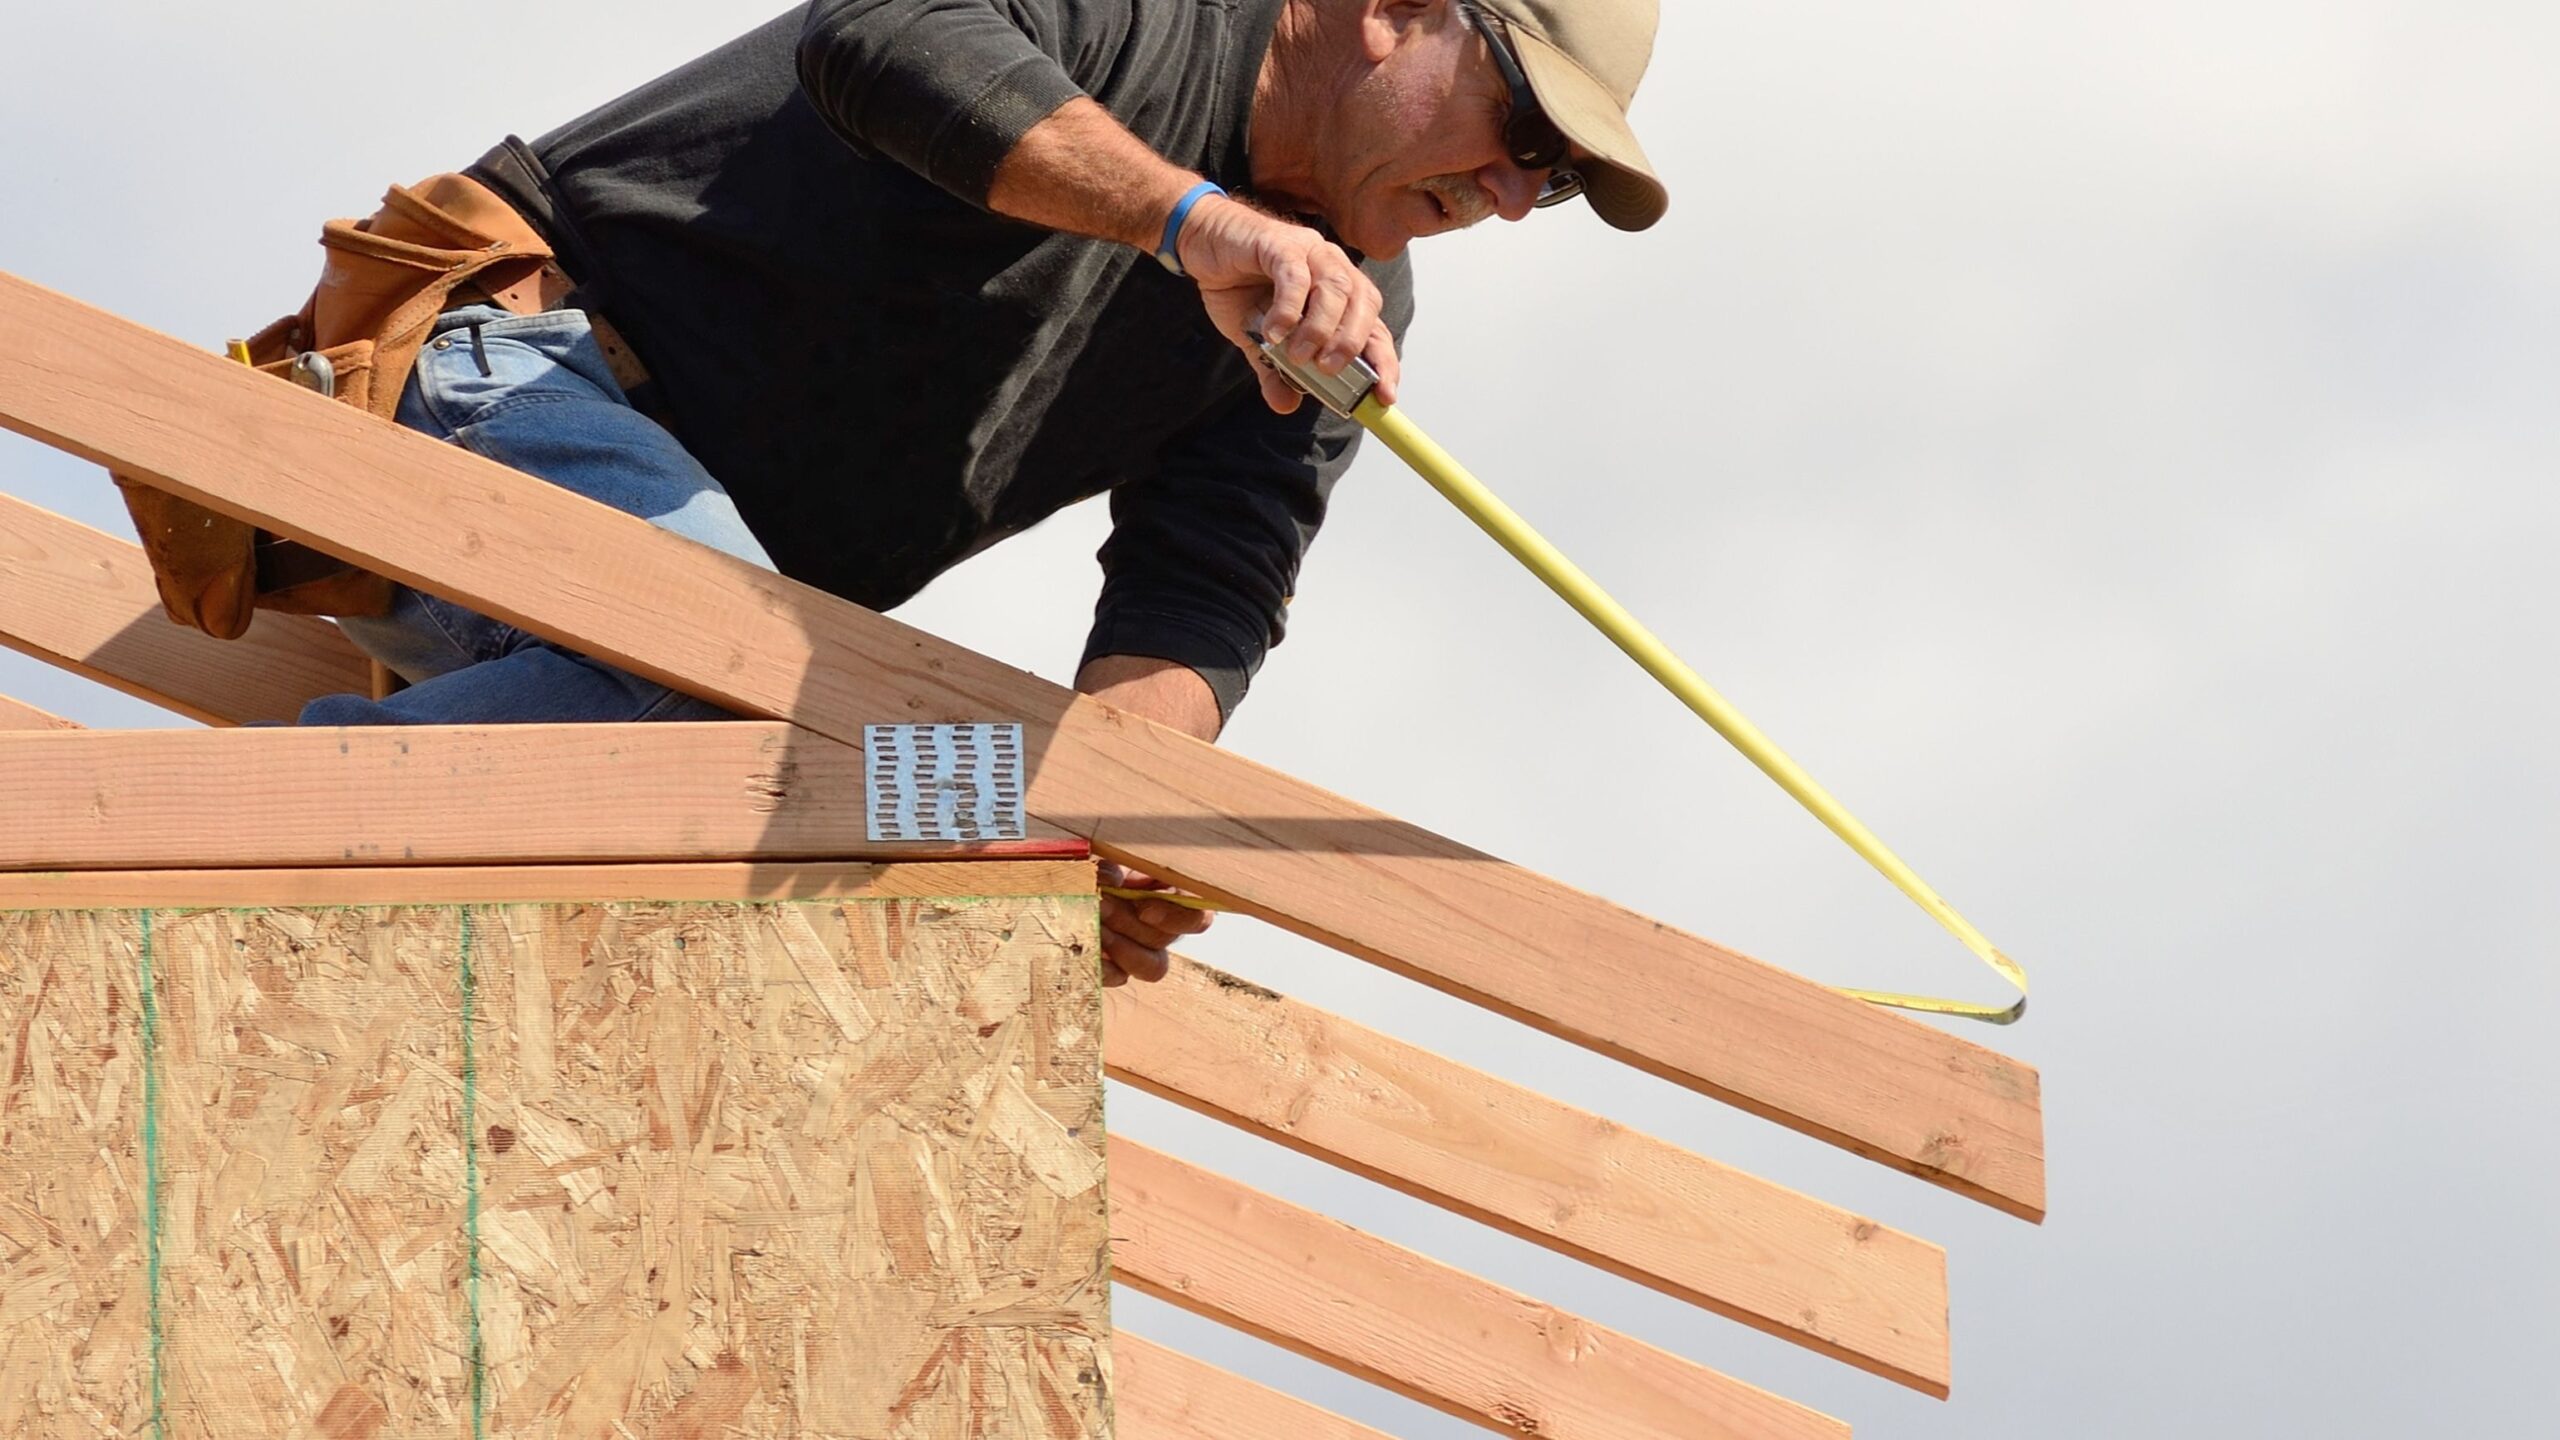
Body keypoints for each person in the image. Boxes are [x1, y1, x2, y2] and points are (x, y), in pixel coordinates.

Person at [291, 0, 1668, 983]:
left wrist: (1099, 830)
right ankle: (205, 845)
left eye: (1548, 185)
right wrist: (1191, 222)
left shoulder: (1340, 317)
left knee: (924, 793)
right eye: (1519, 124)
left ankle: (261, 842)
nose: (1504, 189)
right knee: (762, 700)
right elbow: (883, 34)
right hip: (510, 378)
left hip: (712, 643)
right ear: (1396, 12)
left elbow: (1205, 592)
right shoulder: (1152, 19)